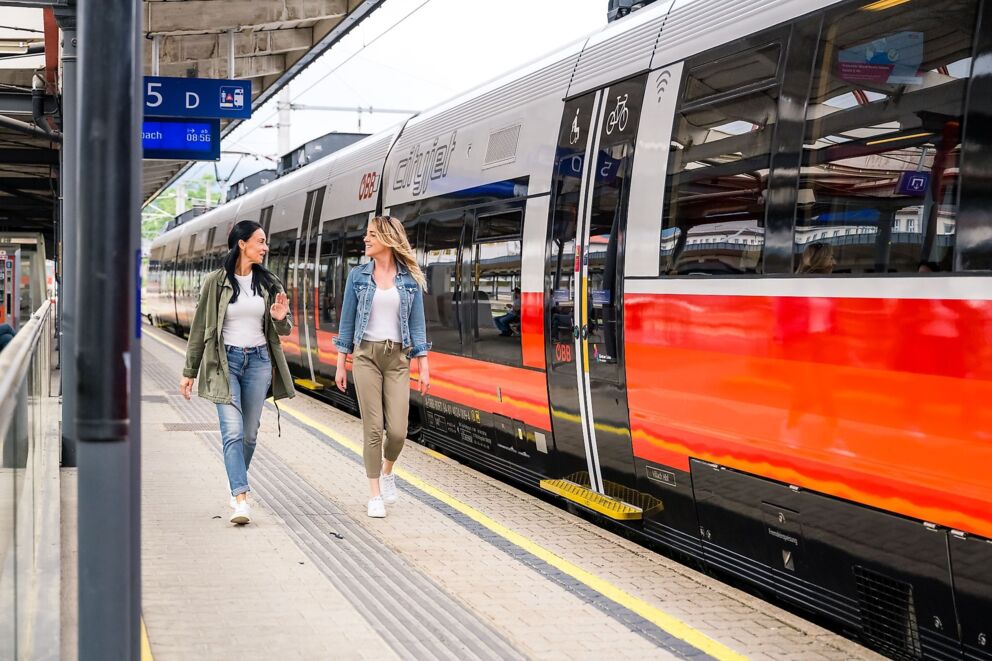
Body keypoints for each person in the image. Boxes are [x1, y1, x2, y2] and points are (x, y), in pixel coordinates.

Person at [179, 220, 295, 525]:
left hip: (258, 362)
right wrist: (189, 371)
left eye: (265, 242)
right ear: (242, 244)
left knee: (249, 433)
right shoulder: (215, 282)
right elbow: (200, 328)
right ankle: (241, 499)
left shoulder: (270, 284)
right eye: (260, 241)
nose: (265, 247)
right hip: (224, 363)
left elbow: (284, 328)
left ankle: (235, 482)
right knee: (231, 432)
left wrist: (281, 318)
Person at [334, 216, 431, 519]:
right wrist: (341, 363)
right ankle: (374, 494)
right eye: (367, 234)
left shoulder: (409, 280)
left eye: (372, 235)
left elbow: (417, 327)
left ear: (388, 239)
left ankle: (387, 470)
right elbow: (347, 323)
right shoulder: (358, 276)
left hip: (398, 359)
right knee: (373, 429)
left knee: (399, 432)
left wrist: (424, 366)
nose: (366, 239)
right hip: (366, 356)